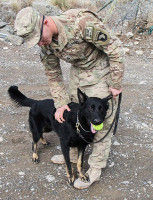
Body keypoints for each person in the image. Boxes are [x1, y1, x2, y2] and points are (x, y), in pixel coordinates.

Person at [14, 6, 124, 189]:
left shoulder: (82, 23)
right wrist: (60, 103)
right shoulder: (45, 44)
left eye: (39, 38)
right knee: (73, 115)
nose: (40, 44)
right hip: (78, 74)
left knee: (100, 123)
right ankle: (73, 155)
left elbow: (115, 48)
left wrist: (116, 82)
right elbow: (53, 73)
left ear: (46, 22)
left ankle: (95, 168)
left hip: (100, 71)